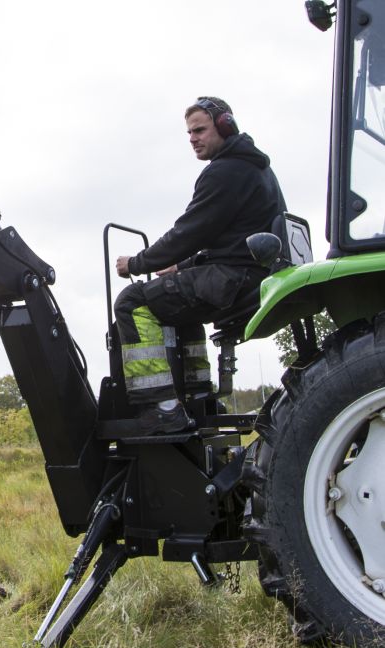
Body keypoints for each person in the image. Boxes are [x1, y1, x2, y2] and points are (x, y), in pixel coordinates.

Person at [114, 96, 286, 434]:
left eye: (200, 130)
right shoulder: (258, 169)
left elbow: (189, 231)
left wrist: (136, 263)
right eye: (189, 133)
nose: (193, 138)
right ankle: (200, 395)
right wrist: (181, 267)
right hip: (250, 275)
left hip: (232, 279)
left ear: (225, 126)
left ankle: (162, 407)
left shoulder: (224, 171)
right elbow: (229, 238)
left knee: (132, 302)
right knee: (178, 305)